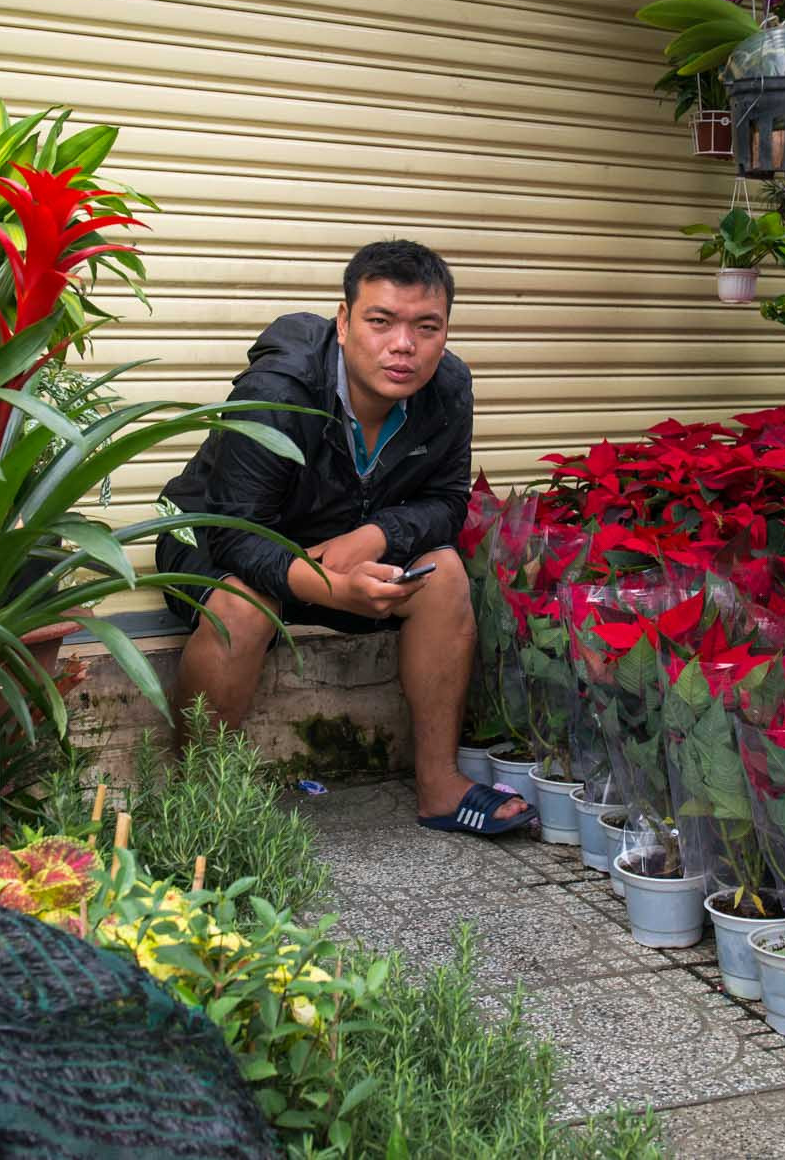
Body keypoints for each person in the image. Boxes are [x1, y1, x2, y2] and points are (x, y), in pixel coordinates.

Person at [156, 239, 529, 836]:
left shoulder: (448, 387)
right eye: (381, 321)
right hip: (215, 534)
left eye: (426, 327)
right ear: (345, 320)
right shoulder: (279, 389)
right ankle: (196, 808)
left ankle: (440, 786)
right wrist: (334, 588)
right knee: (242, 609)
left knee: (445, 576)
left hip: (339, 543)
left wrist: (375, 536)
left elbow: (447, 501)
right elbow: (234, 534)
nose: (403, 345)